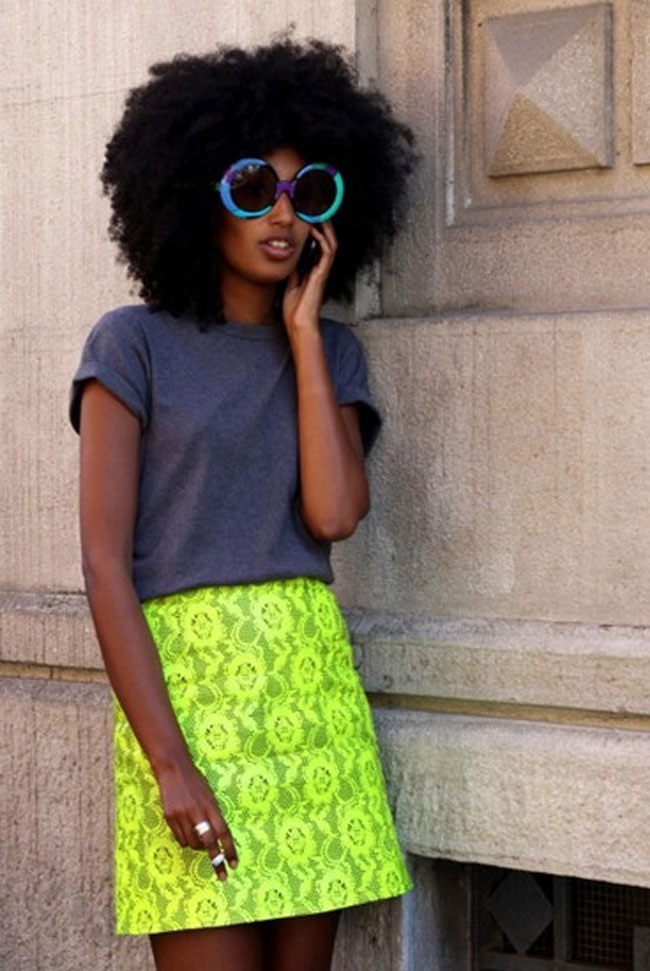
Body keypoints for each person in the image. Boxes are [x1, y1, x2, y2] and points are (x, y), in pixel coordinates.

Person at [69, 33, 418, 971]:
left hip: (309, 700)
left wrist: (303, 336)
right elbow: (103, 565)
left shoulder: (332, 353)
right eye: (254, 188)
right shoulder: (132, 345)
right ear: (196, 196)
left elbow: (334, 516)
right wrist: (170, 765)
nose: (282, 214)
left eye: (307, 193)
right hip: (186, 701)